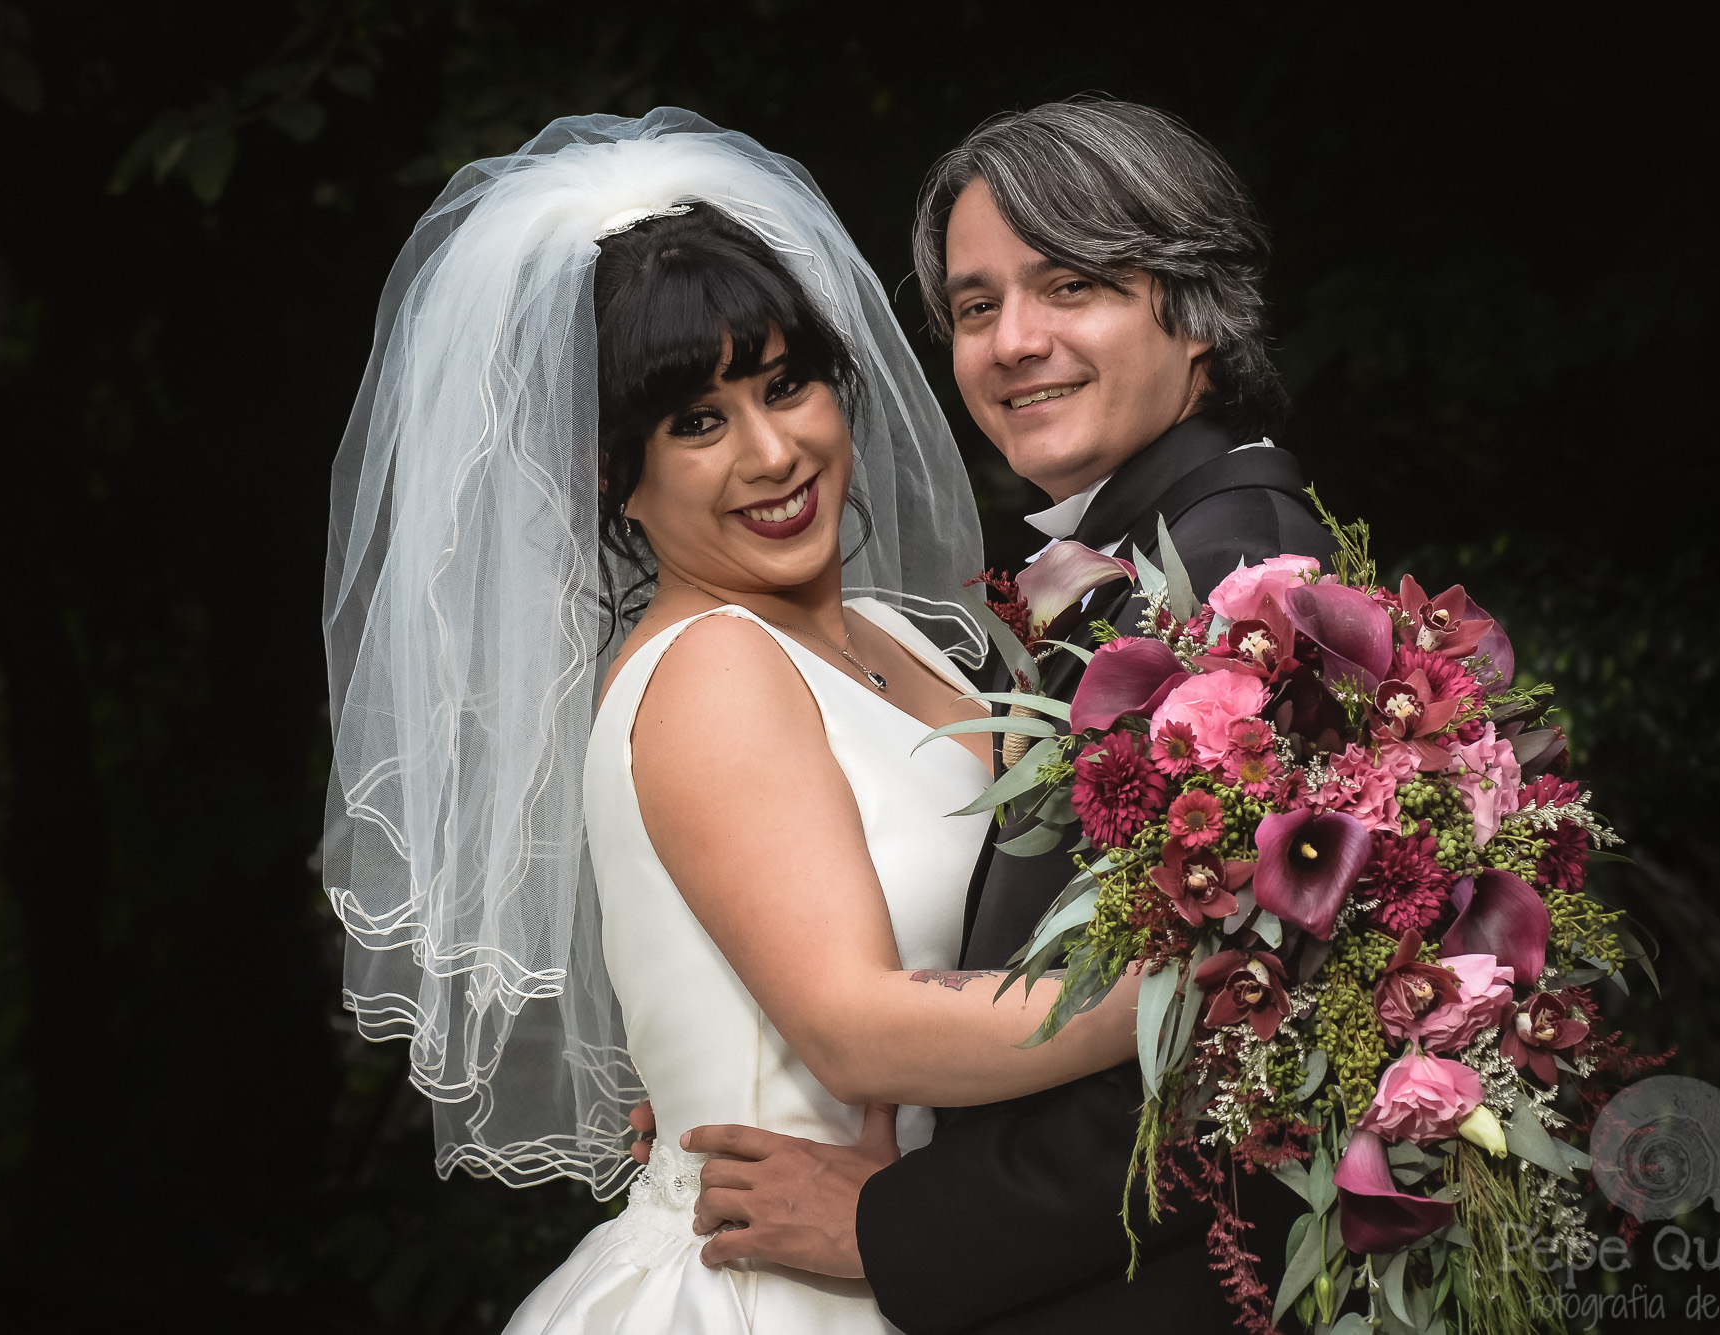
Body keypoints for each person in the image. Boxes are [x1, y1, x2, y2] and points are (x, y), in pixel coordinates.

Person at [321, 108, 1144, 1335]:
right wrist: (1185, 992)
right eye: (695, 423)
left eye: (784, 384)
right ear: (612, 474)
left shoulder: (913, 642)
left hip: (921, 1253)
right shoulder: (713, 668)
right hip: (773, 1288)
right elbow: (855, 1032)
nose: (771, 453)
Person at [677, 98, 1334, 1333]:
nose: (1012, 343)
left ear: (1195, 310)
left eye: (1070, 287)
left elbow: (1244, 1036)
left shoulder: (1236, 583)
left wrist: (893, 1227)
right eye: (975, 308)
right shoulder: (1154, 561)